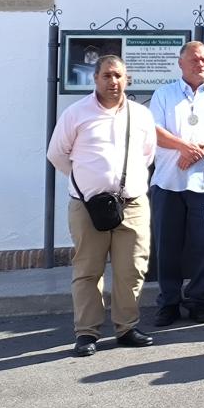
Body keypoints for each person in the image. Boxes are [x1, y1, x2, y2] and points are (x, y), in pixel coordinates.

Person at [47, 55, 159, 357]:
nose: (113, 81)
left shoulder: (140, 114)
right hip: (88, 207)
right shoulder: (76, 113)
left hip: (132, 205)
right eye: (107, 76)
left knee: (132, 269)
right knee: (88, 270)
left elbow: (147, 155)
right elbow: (57, 154)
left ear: (126, 79)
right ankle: (86, 332)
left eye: (119, 76)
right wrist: (88, 182)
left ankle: (127, 327)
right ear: (95, 78)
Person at [149, 41, 204, 326]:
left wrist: (199, 150)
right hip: (168, 182)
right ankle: (169, 302)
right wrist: (184, 147)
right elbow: (154, 131)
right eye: (195, 60)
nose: (201, 64)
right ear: (181, 63)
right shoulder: (164, 94)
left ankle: (199, 300)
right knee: (167, 247)